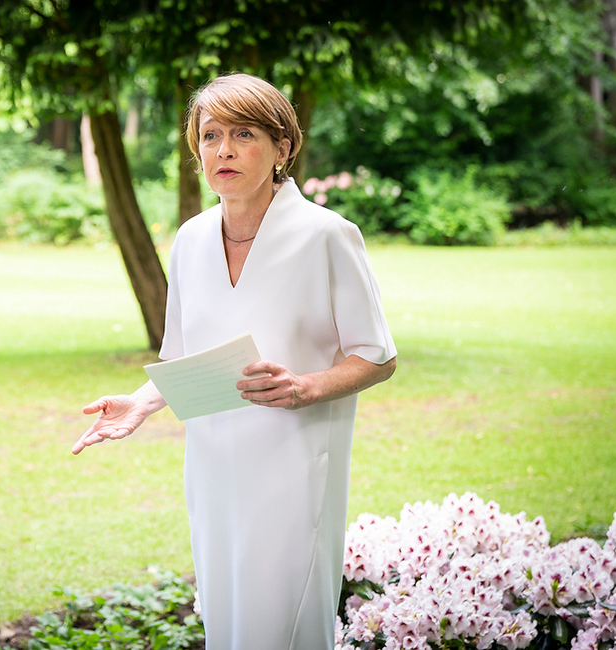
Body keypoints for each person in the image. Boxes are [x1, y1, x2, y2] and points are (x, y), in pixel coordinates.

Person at [72, 73, 397, 650]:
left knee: (285, 623)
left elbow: (377, 357)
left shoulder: (328, 235)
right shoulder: (191, 239)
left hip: (295, 464)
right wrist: (140, 404)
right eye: (210, 134)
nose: (222, 149)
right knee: (228, 623)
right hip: (213, 464)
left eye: (243, 134)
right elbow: (181, 353)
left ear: (283, 147)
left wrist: (305, 386)